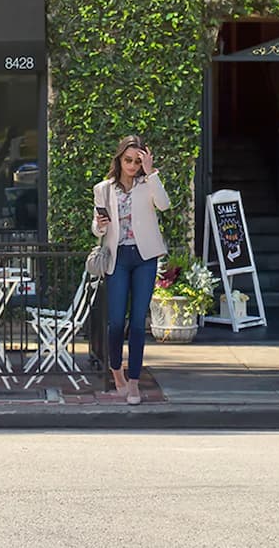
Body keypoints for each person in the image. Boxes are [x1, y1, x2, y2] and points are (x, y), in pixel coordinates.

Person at [92, 135, 170, 405]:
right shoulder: (104, 188)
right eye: (128, 160)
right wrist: (100, 224)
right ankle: (117, 374)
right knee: (115, 322)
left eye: (138, 161)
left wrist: (152, 173)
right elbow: (96, 228)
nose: (133, 166)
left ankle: (134, 383)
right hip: (118, 256)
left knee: (137, 322)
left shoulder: (148, 184)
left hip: (145, 257)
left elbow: (164, 204)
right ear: (119, 158)